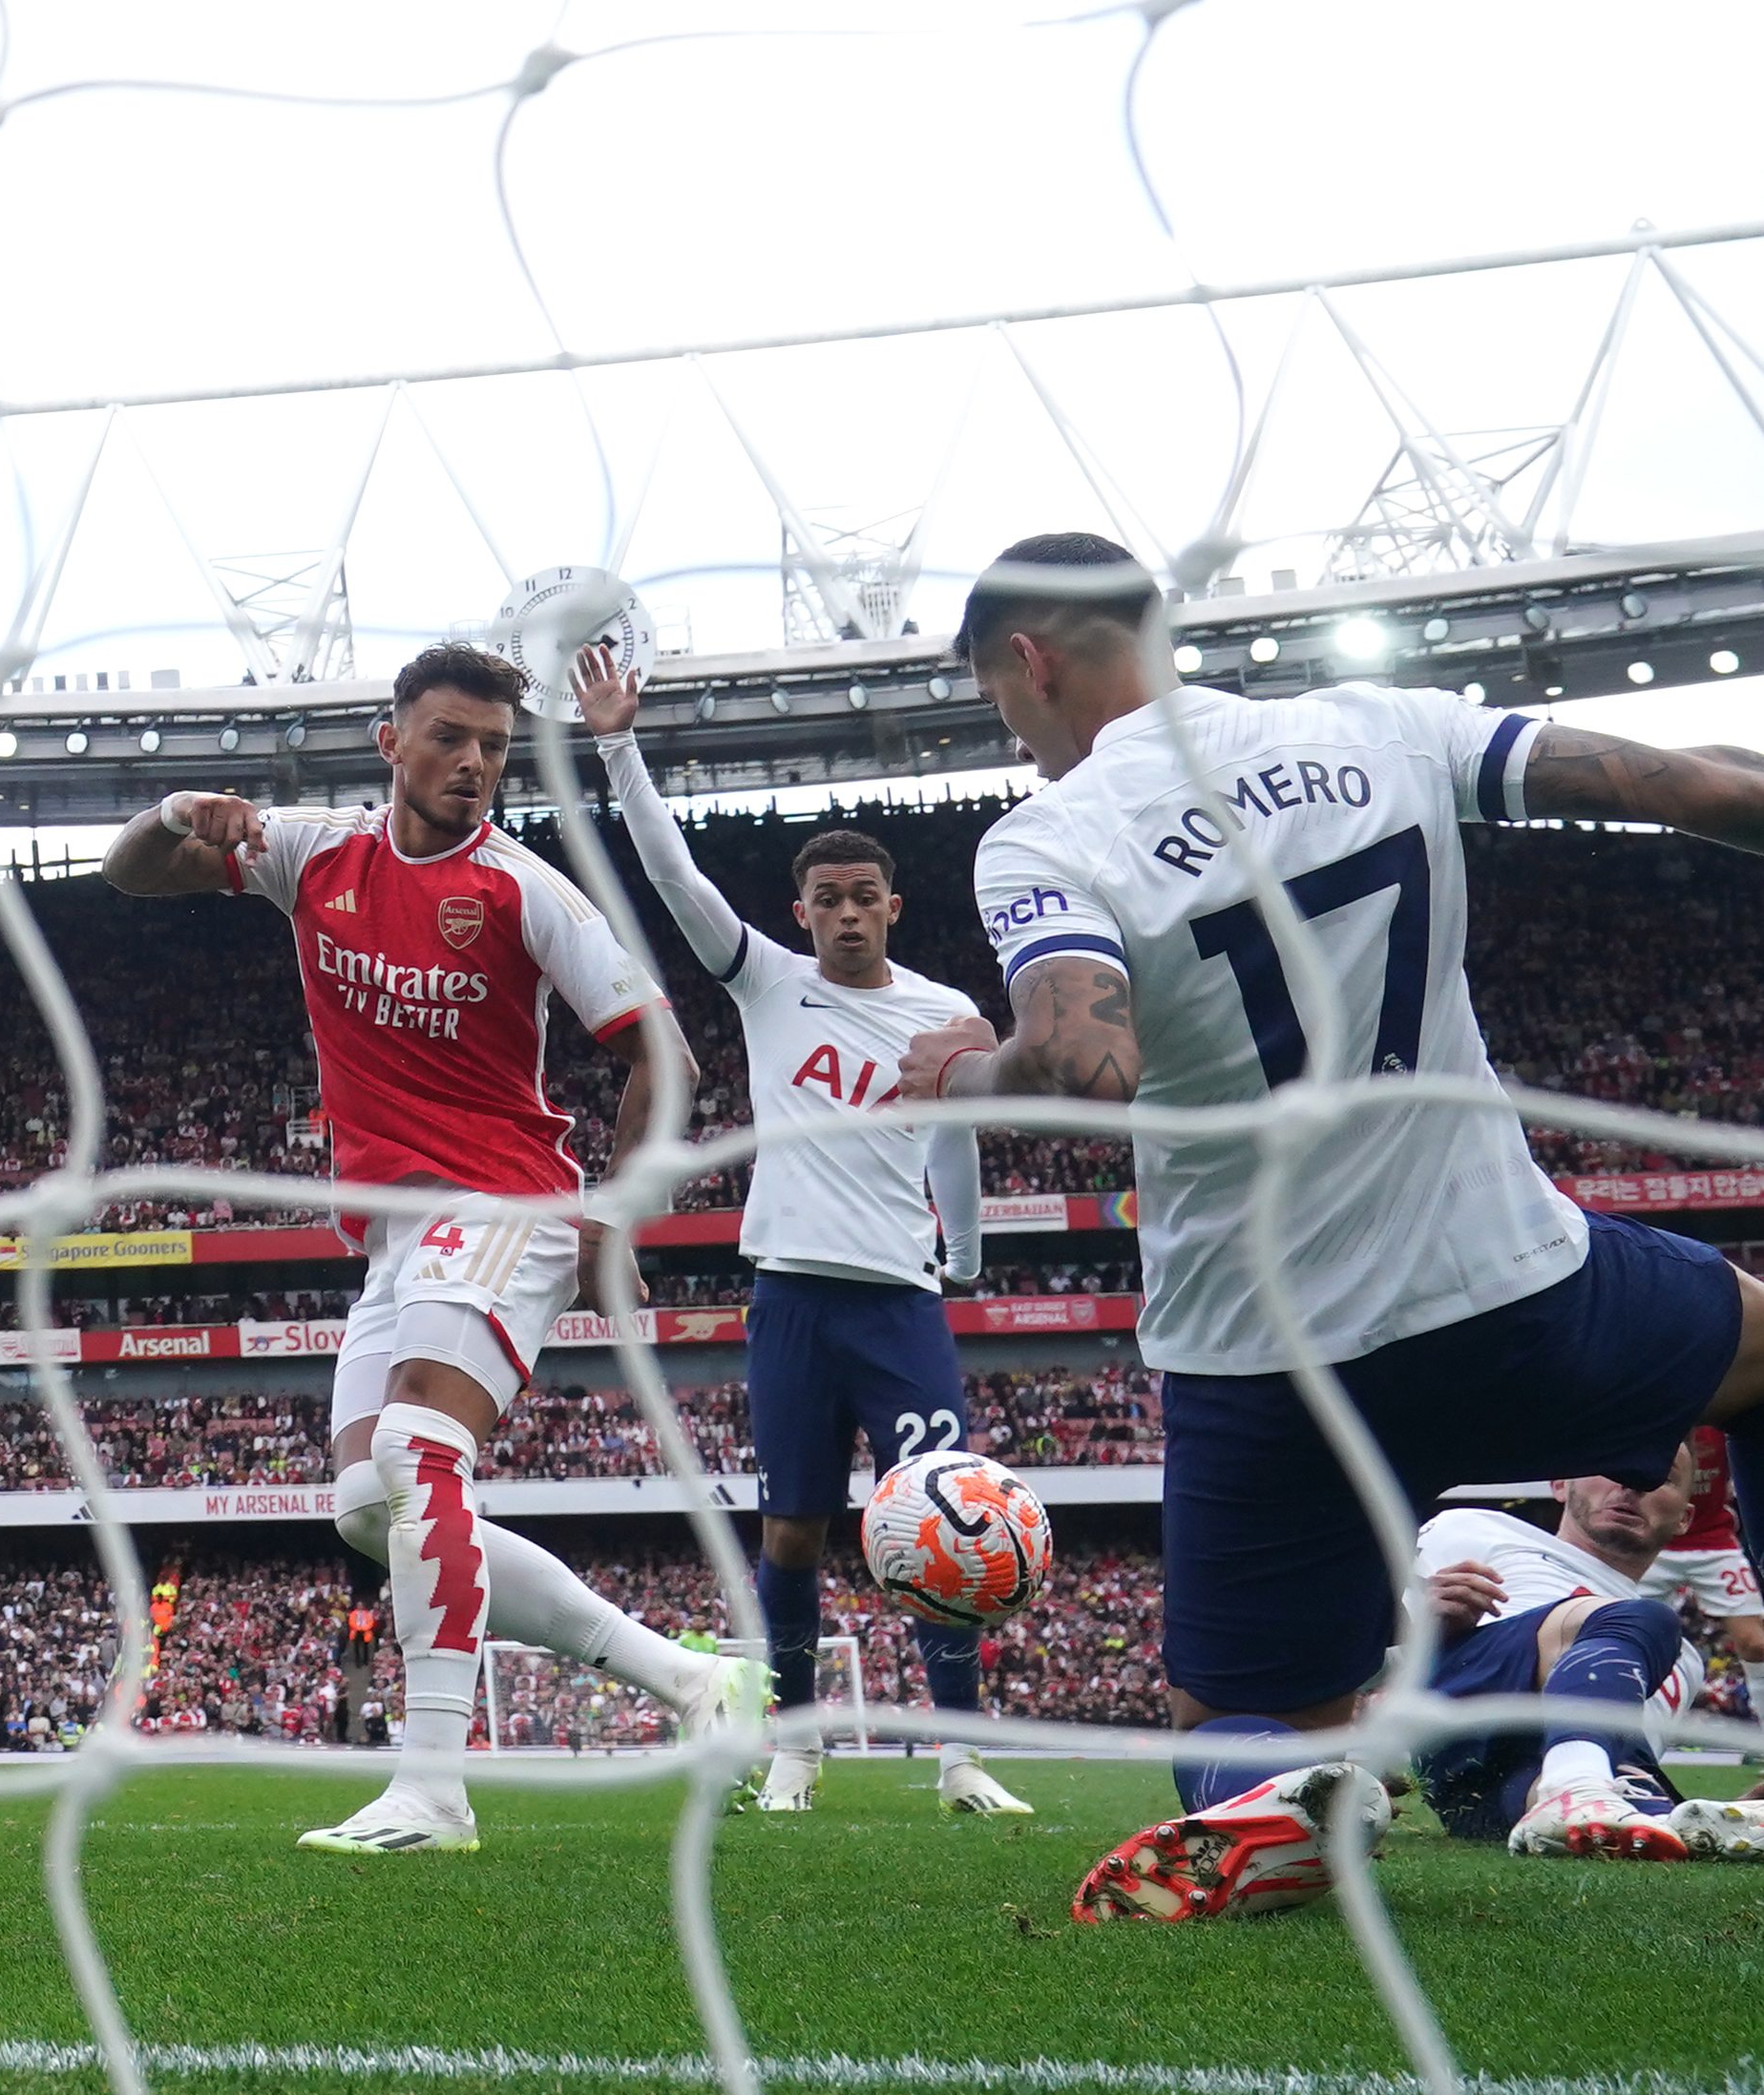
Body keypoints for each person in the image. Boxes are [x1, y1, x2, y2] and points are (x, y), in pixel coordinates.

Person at [896, 531, 1764, 1924]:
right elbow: (1690, 782)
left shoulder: (1053, 835)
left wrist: (961, 1073)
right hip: (1511, 1293)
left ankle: (1293, 1793)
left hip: (1266, 1359)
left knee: (1231, 1720)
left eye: (997, 697)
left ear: (1030, 659)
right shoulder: (1384, 726)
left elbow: (1082, 1062)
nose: (1012, 729)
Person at [104, 640, 759, 1856]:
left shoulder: (528, 890)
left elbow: (664, 1057)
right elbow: (132, 873)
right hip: (395, 1236)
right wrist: (176, 809)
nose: (473, 763)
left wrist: (612, 1217)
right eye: (450, 737)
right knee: (368, 1507)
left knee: (414, 1456)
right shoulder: (315, 853)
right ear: (390, 740)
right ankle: (686, 1676)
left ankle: (434, 1788)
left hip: (508, 1200)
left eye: (495, 747)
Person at [582, 647, 1023, 1816]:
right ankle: (796, 1747)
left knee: (951, 1519)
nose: (846, 913)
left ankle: (962, 1755)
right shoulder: (768, 980)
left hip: (900, 1301)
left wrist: (965, 1260)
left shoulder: (947, 1013)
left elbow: (954, 1141)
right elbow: (674, 878)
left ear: (892, 905)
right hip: (790, 1298)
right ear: (802, 911)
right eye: (826, 898)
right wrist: (618, 745)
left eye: (863, 895)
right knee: (790, 1532)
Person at [1402, 1477, 1761, 1859]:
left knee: (1642, 1824)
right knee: (1642, 1620)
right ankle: (1575, 1783)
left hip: (1478, 1793)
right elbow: (1365, 1661)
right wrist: (1410, 1623)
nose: (1632, 1485)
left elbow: (1625, 1751)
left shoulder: (1684, 1660)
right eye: (1613, 1467)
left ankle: (1675, 1816)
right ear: (1561, 1485)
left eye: (1661, 1477)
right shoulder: (1473, 1527)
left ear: (1685, 1518)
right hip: (1462, 1693)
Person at [1643, 1430, 1764, 1684]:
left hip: (1714, 1541)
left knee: (1756, 1643)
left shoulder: (1720, 1423)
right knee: (1641, 1638)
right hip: (1656, 1542)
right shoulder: (1652, 1420)